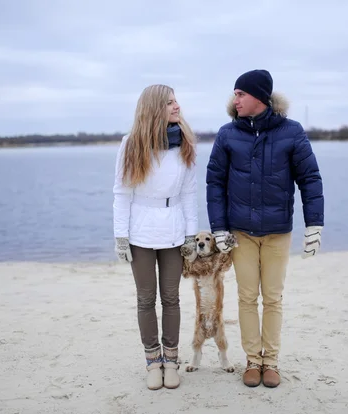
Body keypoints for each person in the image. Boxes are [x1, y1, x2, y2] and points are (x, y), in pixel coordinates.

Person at [206, 69, 324, 388]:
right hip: (240, 232)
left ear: (259, 96)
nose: (235, 100)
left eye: (241, 94)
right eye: (235, 94)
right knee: (246, 297)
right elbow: (215, 182)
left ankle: (270, 361)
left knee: (272, 298)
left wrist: (314, 223)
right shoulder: (227, 134)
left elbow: (310, 179)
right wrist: (219, 229)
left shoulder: (292, 132)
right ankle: (252, 360)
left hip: (277, 232)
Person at [113, 84, 198, 390]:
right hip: (141, 232)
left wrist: (191, 235)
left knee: (171, 298)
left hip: (174, 231)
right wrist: (121, 236)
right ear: (154, 108)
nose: (178, 107)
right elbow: (122, 194)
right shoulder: (131, 144)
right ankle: (153, 362)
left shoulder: (185, 143)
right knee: (146, 299)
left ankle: (172, 361)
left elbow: (189, 194)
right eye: (170, 102)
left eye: (177, 101)